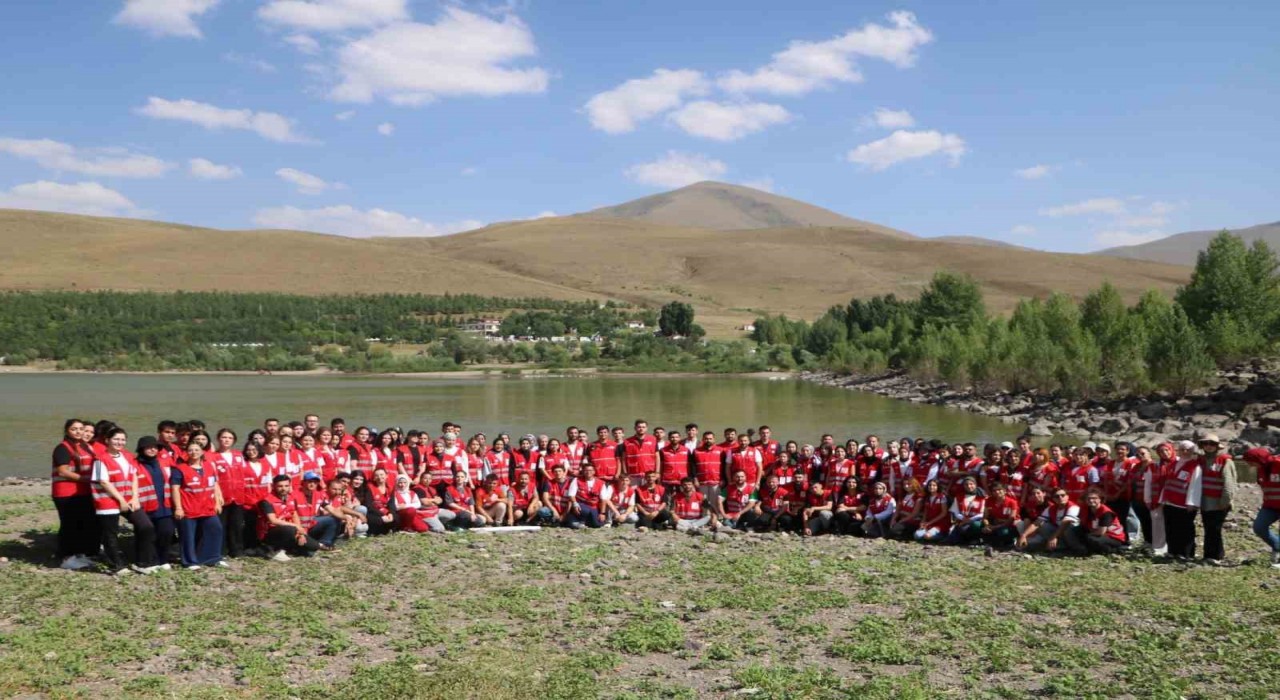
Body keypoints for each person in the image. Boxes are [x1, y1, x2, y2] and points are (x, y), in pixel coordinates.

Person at [91, 427, 159, 575]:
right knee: (110, 533)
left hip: (128, 499)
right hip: (107, 500)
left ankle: (143, 562)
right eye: (116, 439)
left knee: (146, 526)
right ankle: (117, 565)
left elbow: (134, 476)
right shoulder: (99, 459)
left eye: (122, 439)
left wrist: (135, 497)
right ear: (107, 440)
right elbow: (103, 482)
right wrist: (121, 500)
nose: (119, 442)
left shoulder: (128, 456)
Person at [170, 442, 226, 570]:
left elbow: (214, 484)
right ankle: (190, 561)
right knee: (188, 536)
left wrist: (217, 501)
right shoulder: (179, 469)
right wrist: (178, 507)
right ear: (186, 453)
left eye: (196, 450)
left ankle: (212, 558)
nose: (194, 452)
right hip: (188, 508)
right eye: (190, 450)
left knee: (215, 529)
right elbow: (175, 489)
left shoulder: (209, 466)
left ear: (202, 452)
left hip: (207, 507)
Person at [51, 419, 97, 570]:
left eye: (81, 429)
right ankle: (66, 558)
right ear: (66, 431)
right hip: (66, 493)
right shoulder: (62, 448)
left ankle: (80, 555)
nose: (78, 431)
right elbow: (63, 471)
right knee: (69, 525)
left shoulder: (85, 447)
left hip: (82, 492)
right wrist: (86, 479)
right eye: (74, 429)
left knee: (82, 524)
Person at [136, 436, 176, 569]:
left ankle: (163, 559)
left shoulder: (164, 462)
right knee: (148, 534)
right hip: (144, 506)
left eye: (155, 447)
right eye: (148, 447)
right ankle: (147, 560)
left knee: (167, 531)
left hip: (165, 504)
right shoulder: (135, 464)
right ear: (141, 449)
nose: (152, 449)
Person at [258, 475, 321, 560]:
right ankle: (275, 551)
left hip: (289, 529)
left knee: (314, 546)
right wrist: (295, 527)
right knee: (289, 530)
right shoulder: (266, 500)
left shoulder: (290, 498)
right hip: (270, 532)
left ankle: (291, 548)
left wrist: (300, 532)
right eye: (280, 486)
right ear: (274, 486)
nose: (283, 488)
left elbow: (295, 515)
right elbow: (273, 520)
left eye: (286, 486)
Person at [1196, 434, 1236, 564]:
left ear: (1217, 446)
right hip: (1204, 501)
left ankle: (1212, 556)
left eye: (1212, 444)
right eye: (1206, 443)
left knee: (1214, 528)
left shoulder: (1225, 461)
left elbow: (1229, 484)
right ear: (1202, 446)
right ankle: (1216, 554)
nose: (1208, 446)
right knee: (1209, 528)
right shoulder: (1200, 460)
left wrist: (1224, 502)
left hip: (1219, 502)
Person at [1160, 440, 1203, 559]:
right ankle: (1172, 551)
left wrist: (1192, 503)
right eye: (1182, 449)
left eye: (1188, 450)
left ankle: (1186, 553)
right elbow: (1167, 482)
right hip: (1169, 501)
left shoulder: (1195, 466)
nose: (1185, 452)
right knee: (1170, 528)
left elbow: (1195, 485)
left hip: (1184, 504)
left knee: (1185, 530)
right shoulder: (1174, 463)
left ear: (1192, 451)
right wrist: (1162, 499)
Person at [1241, 448, 1280, 568]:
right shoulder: (1261, 469)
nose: (1249, 464)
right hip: (1270, 506)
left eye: (1250, 461)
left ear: (1260, 459)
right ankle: (1277, 546)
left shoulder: (1278, 464)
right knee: (1259, 527)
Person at [1017, 489, 1085, 555]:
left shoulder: (1073, 507)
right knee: (1043, 525)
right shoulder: (1050, 508)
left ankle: (1078, 549)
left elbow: (1065, 523)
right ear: (1053, 499)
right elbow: (1037, 523)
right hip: (1060, 532)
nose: (1060, 497)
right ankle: (1060, 547)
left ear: (1067, 496)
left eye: (1062, 495)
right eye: (1057, 496)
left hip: (1075, 533)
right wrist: (1024, 535)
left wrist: (1053, 537)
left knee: (1067, 528)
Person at [293, 472, 341, 546]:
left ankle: (325, 543)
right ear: (303, 482)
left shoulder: (318, 495)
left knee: (334, 518)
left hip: (312, 524)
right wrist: (300, 530)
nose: (312, 484)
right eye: (310, 482)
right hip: (299, 526)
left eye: (315, 482)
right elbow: (293, 515)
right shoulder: (294, 495)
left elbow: (332, 509)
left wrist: (347, 518)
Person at [1080, 488, 1127, 555]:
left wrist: (1087, 535)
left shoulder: (1106, 512)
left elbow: (1101, 532)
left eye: (1094, 498)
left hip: (1114, 538)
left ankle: (1114, 550)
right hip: (1097, 533)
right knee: (1077, 531)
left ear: (1100, 499)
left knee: (1091, 539)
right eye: (1088, 498)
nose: (1091, 500)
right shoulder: (1087, 509)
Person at [566, 463, 610, 529]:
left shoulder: (601, 483)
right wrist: (575, 504)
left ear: (594, 472)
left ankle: (585, 522)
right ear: (583, 471)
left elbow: (603, 499)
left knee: (598, 524)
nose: (588, 472)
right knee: (585, 511)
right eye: (586, 470)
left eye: (590, 470)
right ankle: (575, 521)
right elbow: (571, 494)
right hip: (581, 504)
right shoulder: (576, 480)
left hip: (593, 506)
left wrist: (602, 513)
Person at [946, 476, 985, 545]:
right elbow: (955, 512)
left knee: (976, 525)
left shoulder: (982, 497)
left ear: (975, 485)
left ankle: (975, 539)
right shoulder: (959, 497)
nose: (969, 486)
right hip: (962, 521)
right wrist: (963, 518)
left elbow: (983, 513)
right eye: (966, 484)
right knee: (952, 541)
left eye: (971, 484)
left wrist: (970, 520)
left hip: (976, 520)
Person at [981, 481, 1020, 550]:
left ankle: (1010, 542)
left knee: (1003, 532)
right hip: (994, 523)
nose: (997, 492)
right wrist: (987, 525)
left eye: (999, 489)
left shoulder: (1012, 502)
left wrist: (994, 527)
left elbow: (1011, 520)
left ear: (1004, 491)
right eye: (994, 490)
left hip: (1009, 525)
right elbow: (985, 517)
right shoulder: (989, 500)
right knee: (981, 527)